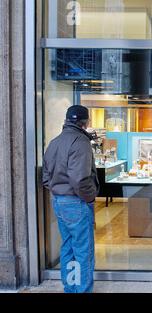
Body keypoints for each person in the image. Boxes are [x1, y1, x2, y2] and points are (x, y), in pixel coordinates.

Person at [43, 105, 99, 293]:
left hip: (59, 201)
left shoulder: (54, 142)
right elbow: (80, 179)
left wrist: (57, 191)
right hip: (77, 202)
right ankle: (82, 291)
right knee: (83, 251)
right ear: (86, 122)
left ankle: (71, 289)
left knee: (67, 247)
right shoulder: (81, 142)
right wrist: (90, 197)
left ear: (67, 120)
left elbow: (45, 177)